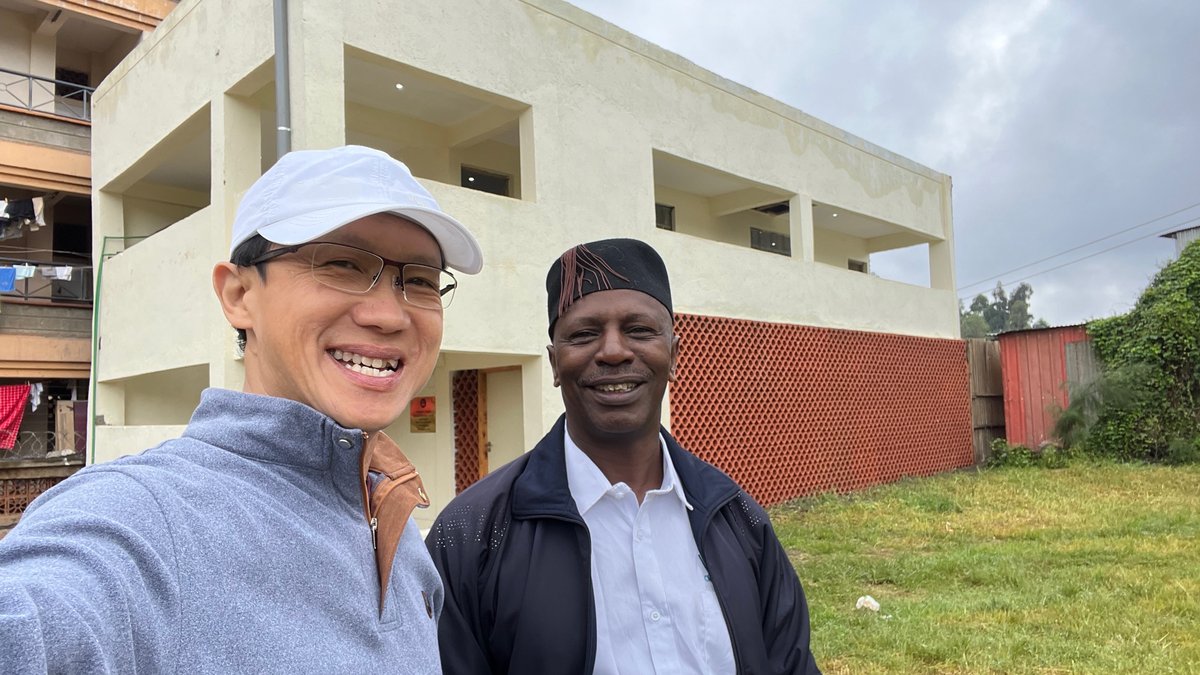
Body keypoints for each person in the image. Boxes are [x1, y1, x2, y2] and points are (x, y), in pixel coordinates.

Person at [0, 145, 482, 672]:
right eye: (343, 263)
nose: (390, 314)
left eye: (419, 281)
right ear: (238, 294)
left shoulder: (392, 518)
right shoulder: (140, 522)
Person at [428, 238, 821, 674]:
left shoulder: (737, 518)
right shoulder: (472, 536)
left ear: (673, 354)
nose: (613, 351)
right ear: (555, 363)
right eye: (584, 334)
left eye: (639, 330)